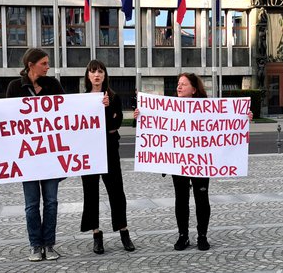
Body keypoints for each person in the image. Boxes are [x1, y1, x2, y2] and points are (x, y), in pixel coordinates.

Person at [134, 73, 253, 251]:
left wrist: (244, 117)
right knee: (181, 199)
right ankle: (183, 236)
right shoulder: (169, 108)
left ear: (194, 89)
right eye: (178, 84)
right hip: (179, 162)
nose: (179, 87)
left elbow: (226, 121)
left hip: (201, 162)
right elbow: (155, 126)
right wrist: (140, 116)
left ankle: (202, 236)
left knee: (201, 198)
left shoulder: (207, 109)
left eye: (183, 84)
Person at [0, 48, 64, 262]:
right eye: (44, 63)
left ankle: (49, 244)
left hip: (50, 154)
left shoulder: (53, 85)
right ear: (31, 64)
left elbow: (66, 112)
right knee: (32, 203)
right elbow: (7, 117)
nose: (48, 66)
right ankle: (35, 245)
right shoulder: (15, 87)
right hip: (28, 157)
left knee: (51, 202)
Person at [80, 60, 135, 254]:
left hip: (110, 150)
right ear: (88, 76)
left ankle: (124, 231)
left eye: (100, 71)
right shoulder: (81, 99)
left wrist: (106, 108)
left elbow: (116, 123)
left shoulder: (113, 97)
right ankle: (96, 234)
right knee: (91, 191)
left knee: (116, 191)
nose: (97, 75)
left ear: (105, 75)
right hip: (88, 151)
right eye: (93, 71)